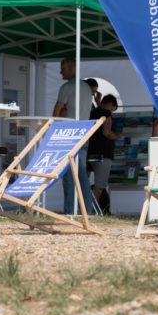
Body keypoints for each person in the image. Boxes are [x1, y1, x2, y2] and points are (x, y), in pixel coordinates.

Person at [52, 57, 93, 214]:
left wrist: (52, 129)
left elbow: (57, 111)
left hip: (69, 134)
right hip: (84, 133)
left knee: (69, 176)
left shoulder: (67, 87)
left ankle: (70, 210)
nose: (61, 71)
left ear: (72, 68)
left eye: (63, 68)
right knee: (81, 175)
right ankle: (86, 210)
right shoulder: (86, 88)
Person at [88, 95, 121, 213]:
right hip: (103, 154)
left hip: (89, 152)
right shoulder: (106, 114)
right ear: (111, 104)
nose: (112, 112)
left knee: (83, 183)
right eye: (113, 108)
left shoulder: (91, 112)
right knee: (99, 186)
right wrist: (117, 136)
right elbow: (107, 133)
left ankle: (80, 208)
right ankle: (90, 210)